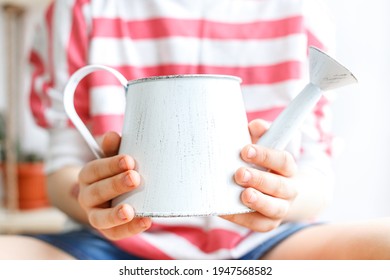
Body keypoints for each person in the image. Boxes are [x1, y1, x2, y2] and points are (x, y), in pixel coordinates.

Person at [1, 0, 389, 260]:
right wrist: (93, 197)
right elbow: (62, 171)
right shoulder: (81, 9)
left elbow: (316, 176)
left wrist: (283, 200)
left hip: (267, 241)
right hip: (116, 242)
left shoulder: (300, 12)